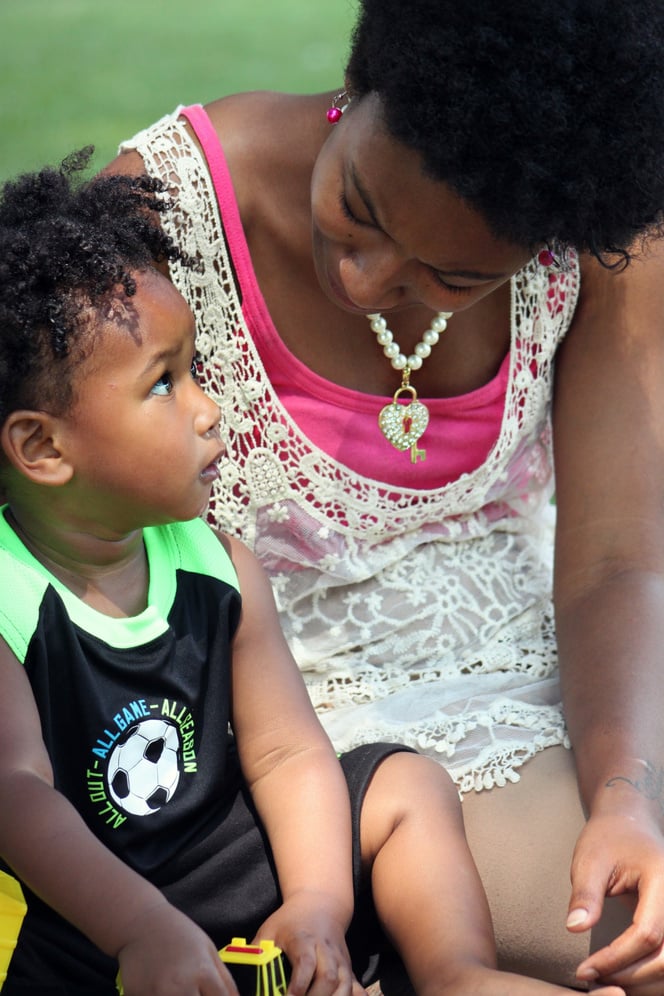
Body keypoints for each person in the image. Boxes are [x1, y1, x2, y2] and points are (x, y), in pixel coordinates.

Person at [101, 0, 664, 992]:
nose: (364, 280)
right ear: (359, 84)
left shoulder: (595, 243)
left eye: (449, 277)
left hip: (565, 652)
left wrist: (627, 792)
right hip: (319, 720)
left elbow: (616, 559)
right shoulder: (161, 215)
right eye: (358, 208)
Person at [0, 152, 624, 996]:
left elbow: (289, 748)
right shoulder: (12, 602)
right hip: (111, 923)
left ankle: (455, 972)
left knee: (404, 785)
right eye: (162, 384)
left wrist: (319, 903)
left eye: (193, 369)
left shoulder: (217, 566)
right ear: (43, 448)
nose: (207, 406)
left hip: (246, 860)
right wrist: (143, 930)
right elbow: (19, 795)